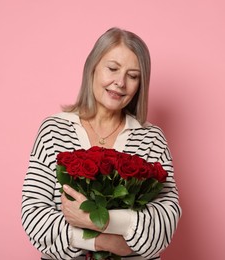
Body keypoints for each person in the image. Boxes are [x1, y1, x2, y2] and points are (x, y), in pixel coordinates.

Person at [21, 27, 181, 260]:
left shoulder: (151, 138)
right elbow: (34, 215)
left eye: (133, 75)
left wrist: (98, 219)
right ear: (92, 67)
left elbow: (165, 222)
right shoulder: (54, 130)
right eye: (113, 69)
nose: (120, 82)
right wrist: (103, 240)